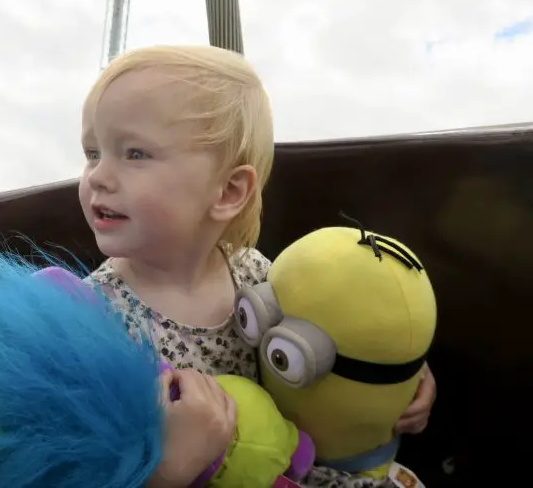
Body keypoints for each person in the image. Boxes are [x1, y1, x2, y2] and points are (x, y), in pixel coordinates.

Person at [78, 44, 436, 488]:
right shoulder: (89, 317)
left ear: (228, 192)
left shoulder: (255, 273)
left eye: (134, 153)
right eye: (92, 153)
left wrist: (400, 382)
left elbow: (339, 338)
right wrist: (169, 470)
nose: (96, 175)